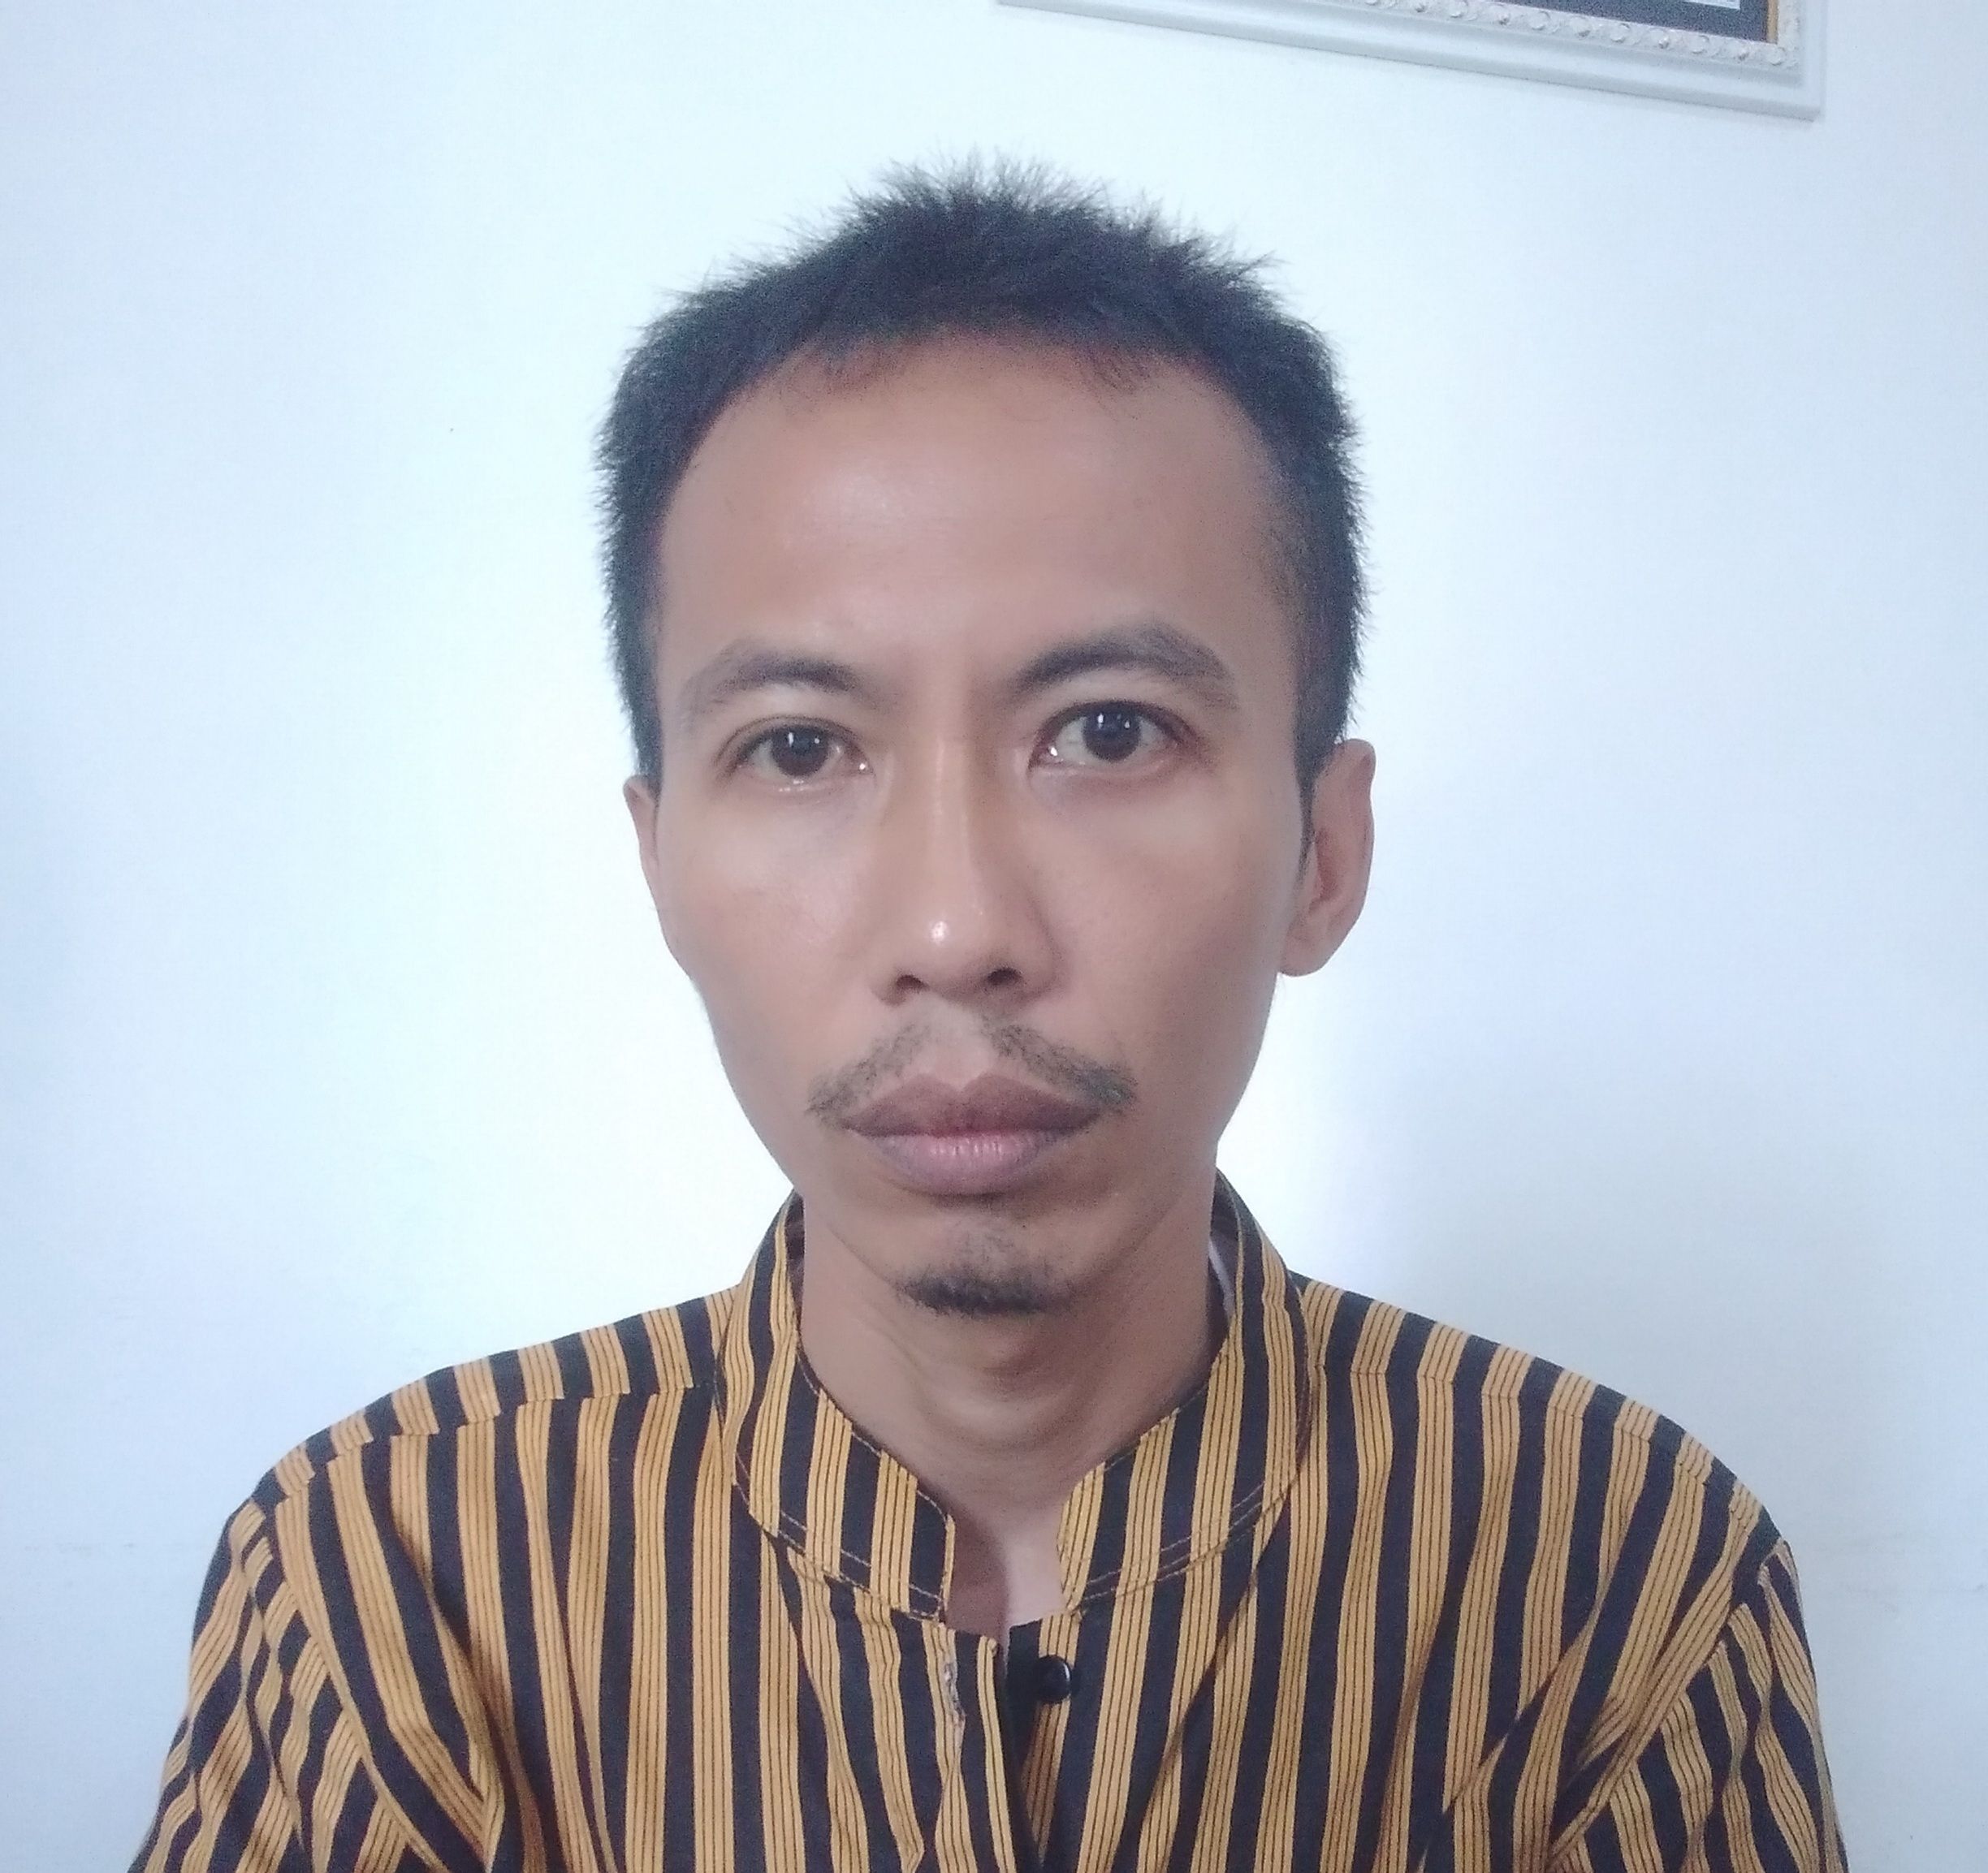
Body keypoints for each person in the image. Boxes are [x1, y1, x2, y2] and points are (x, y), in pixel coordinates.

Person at [132, 165, 1846, 1873]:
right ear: (659, 866)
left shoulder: (1625, 1583)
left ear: (1323, 855)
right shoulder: (389, 1579)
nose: (957, 932)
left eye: (1108, 731)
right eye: (801, 748)